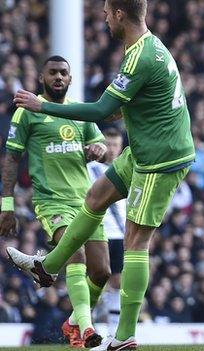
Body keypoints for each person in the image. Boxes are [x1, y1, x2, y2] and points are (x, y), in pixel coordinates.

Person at [6, 1, 195, 349]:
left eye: (107, 11)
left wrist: (42, 105)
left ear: (120, 14)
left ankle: (125, 335)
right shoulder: (144, 47)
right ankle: (48, 266)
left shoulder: (140, 57)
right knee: (95, 196)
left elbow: (101, 109)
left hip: (160, 160)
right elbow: (114, 113)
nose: (104, 17)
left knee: (136, 240)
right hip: (141, 149)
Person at [0, 55, 110, 348]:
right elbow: (11, 157)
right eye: (53, 73)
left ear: (70, 80)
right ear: (41, 78)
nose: (58, 77)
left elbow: (102, 146)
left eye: (63, 73)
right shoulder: (27, 112)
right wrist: (7, 206)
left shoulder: (78, 110)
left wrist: (98, 149)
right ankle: (85, 329)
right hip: (52, 201)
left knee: (102, 271)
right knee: (76, 256)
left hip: (87, 201)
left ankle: (73, 321)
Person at [86, 128, 126, 338]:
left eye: (115, 145)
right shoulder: (89, 169)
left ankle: (113, 331)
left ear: (121, 147)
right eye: (108, 144)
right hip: (95, 231)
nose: (111, 149)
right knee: (94, 279)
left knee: (117, 281)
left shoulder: (126, 169)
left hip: (119, 234)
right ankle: (86, 327)